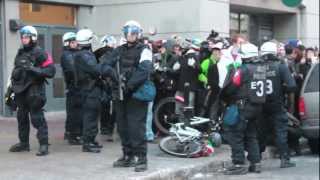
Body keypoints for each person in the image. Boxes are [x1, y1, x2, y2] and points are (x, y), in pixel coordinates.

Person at [104, 20, 153, 172]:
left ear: (138, 33)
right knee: (123, 127)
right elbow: (105, 64)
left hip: (135, 94)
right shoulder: (118, 50)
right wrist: (112, 75)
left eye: (133, 32)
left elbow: (144, 70)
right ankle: (128, 156)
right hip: (120, 93)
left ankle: (142, 158)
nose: (130, 35)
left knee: (136, 127)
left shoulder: (145, 50)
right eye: (128, 32)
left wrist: (129, 85)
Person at [9, 25, 56, 156]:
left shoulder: (40, 53)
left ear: (33, 38)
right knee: (21, 117)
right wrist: (10, 90)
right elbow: (15, 72)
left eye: (26, 37)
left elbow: (51, 71)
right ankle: (24, 144)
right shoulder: (20, 53)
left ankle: (44, 145)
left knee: (37, 118)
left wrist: (34, 69)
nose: (23, 39)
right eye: (22, 37)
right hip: (20, 91)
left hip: (34, 90)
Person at [221, 43, 263, 175]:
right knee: (251, 135)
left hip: (243, 106)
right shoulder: (261, 68)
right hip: (257, 107)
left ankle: (239, 163)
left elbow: (233, 85)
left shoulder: (243, 69)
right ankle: (255, 163)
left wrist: (224, 95)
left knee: (235, 134)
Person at [258, 41, 297, 168]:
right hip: (276, 104)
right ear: (275, 52)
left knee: (260, 133)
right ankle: (284, 159)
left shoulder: (256, 66)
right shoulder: (280, 66)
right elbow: (292, 86)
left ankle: (256, 161)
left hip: (259, 105)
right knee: (280, 132)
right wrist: (281, 89)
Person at [74, 29, 104, 153]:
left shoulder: (85, 54)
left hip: (89, 89)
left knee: (93, 115)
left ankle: (91, 139)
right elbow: (95, 70)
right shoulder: (84, 56)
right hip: (89, 89)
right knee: (90, 116)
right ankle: (87, 143)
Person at [60, 32, 82, 145]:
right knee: (74, 112)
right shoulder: (67, 55)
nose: (76, 44)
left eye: (76, 41)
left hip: (77, 87)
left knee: (75, 111)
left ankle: (70, 132)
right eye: (73, 42)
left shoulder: (76, 53)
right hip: (73, 87)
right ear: (67, 43)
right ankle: (73, 135)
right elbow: (72, 70)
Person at [96, 35, 117, 141]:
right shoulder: (113, 53)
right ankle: (109, 127)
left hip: (102, 82)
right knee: (114, 106)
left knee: (104, 105)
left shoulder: (96, 53)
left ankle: (105, 127)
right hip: (110, 82)